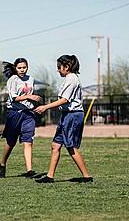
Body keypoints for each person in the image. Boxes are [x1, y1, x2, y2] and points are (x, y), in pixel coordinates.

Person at [34, 54, 93, 183]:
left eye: (59, 67)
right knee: (55, 145)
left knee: (70, 146)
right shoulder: (68, 79)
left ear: (67, 66)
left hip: (73, 115)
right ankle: (50, 176)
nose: (58, 70)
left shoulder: (72, 79)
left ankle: (87, 176)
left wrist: (45, 107)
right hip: (66, 115)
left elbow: (64, 100)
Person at [0, 58, 42, 179]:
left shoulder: (30, 79)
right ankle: (2, 164)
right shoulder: (13, 80)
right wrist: (29, 96)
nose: (22, 70)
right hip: (14, 113)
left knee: (28, 141)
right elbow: (14, 98)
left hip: (28, 113)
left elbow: (29, 96)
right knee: (11, 142)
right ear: (15, 68)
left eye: (24, 67)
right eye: (20, 68)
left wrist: (33, 99)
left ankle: (30, 171)